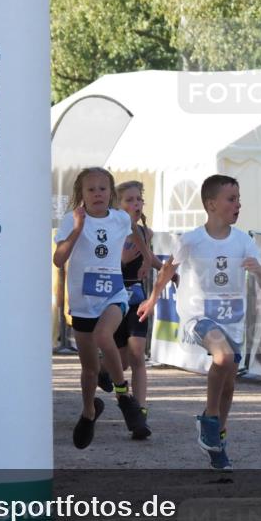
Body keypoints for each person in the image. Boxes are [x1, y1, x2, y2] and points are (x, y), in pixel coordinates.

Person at [138, 174, 261, 471]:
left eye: (238, 198)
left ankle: (217, 440)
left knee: (228, 382)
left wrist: (259, 272)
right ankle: (210, 419)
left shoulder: (243, 240)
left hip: (233, 318)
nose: (238, 204)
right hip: (198, 314)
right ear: (211, 205)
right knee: (222, 357)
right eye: (231, 199)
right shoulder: (191, 239)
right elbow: (166, 270)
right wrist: (152, 299)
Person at [53, 167, 154, 449]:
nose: (97, 194)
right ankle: (88, 412)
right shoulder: (71, 220)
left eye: (102, 188)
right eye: (91, 189)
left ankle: (123, 395)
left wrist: (148, 260)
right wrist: (76, 229)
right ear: (81, 194)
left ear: (111, 192)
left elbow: (136, 232)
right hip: (83, 303)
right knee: (89, 370)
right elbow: (59, 260)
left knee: (103, 336)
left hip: (114, 294)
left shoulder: (120, 218)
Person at [97, 180, 171, 440]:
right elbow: (124, 259)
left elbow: (147, 258)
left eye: (139, 200)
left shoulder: (146, 232)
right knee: (122, 360)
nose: (135, 204)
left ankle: (139, 413)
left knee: (138, 356)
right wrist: (132, 236)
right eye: (129, 200)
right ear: (118, 205)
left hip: (137, 298)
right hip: (114, 298)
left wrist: (166, 271)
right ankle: (101, 370)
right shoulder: (111, 230)